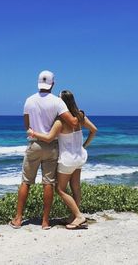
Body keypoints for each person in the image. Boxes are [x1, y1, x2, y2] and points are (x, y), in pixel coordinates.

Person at [10, 71, 78, 230]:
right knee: (48, 183)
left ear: (38, 83)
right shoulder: (58, 102)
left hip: (34, 144)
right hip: (52, 146)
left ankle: (18, 219)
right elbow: (73, 122)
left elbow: (27, 126)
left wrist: (35, 132)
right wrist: (78, 114)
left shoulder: (29, 100)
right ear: (53, 84)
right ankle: (45, 222)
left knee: (26, 182)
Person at [27, 90, 97, 229]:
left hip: (67, 160)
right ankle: (74, 216)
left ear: (62, 102)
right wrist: (84, 145)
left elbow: (49, 138)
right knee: (76, 187)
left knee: (60, 189)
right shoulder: (80, 116)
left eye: (58, 99)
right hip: (80, 157)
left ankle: (78, 216)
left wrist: (33, 133)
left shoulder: (61, 121)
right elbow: (94, 130)